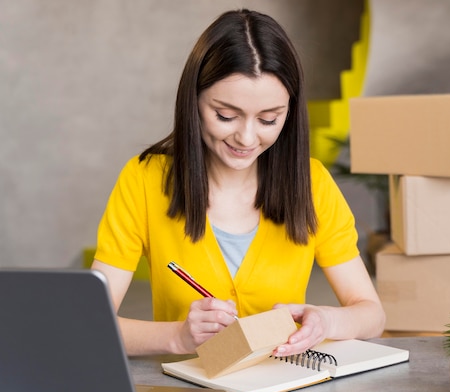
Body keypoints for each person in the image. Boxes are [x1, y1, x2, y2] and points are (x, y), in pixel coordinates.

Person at [92, 8, 385, 357]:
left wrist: (326, 320)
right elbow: (89, 323)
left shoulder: (312, 184)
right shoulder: (145, 179)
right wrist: (177, 337)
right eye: (225, 116)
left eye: (268, 119)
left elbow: (371, 314)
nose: (246, 138)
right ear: (194, 101)